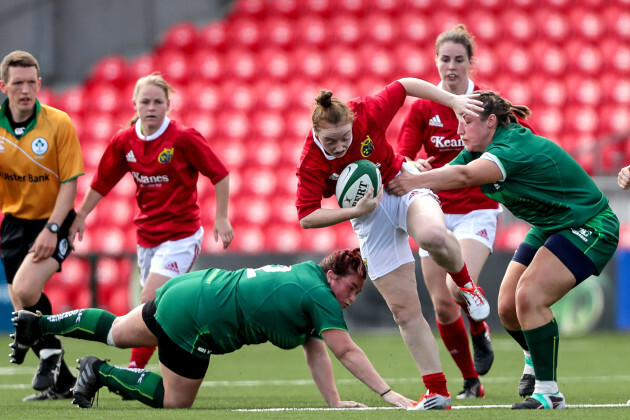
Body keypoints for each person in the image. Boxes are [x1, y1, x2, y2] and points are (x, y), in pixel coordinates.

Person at [387, 90, 620, 410]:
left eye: (466, 122)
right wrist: (413, 173)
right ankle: (534, 359)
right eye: (458, 122)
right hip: (551, 224)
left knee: (529, 297)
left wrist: (413, 181)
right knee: (508, 306)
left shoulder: (510, 147)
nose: (459, 131)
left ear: (491, 121)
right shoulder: (477, 149)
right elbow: (447, 177)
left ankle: (549, 393)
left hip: (590, 224)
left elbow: (464, 176)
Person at [10, 248, 416, 410]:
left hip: (193, 287)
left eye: (359, 292)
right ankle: (100, 372)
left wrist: (334, 402)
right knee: (174, 401)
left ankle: (38, 322)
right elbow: (344, 350)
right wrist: (389, 393)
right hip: (201, 317)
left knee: (117, 329)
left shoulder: (308, 275)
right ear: (332, 276)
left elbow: (316, 349)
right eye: (352, 286)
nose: (352, 297)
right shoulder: (320, 296)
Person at [296, 77, 489, 410]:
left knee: (432, 236)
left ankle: (466, 285)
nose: (340, 147)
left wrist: (453, 101)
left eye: (345, 138)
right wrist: (354, 211)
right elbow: (306, 217)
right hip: (368, 215)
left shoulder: (366, 112)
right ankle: (437, 391)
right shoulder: (311, 160)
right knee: (404, 313)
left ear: (352, 124)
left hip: (401, 183)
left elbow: (405, 84)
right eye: (332, 142)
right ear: (316, 134)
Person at [69, 73, 233, 371]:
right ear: (135, 104)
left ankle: (135, 369)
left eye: (158, 101)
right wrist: (81, 215)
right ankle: (173, 351)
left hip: (181, 236)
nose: (152, 107)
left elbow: (220, 173)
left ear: (168, 104)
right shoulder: (125, 141)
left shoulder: (184, 137)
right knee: (161, 311)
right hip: (147, 237)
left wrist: (221, 217)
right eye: (145, 101)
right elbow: (103, 181)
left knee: (149, 301)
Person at [396, 25, 497, 399]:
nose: (451, 66)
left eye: (459, 59)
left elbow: (517, 138)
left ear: (471, 62)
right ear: (436, 61)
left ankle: (478, 330)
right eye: (444, 59)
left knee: (457, 288)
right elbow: (403, 155)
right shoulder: (424, 105)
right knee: (441, 304)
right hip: (435, 210)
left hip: (476, 208)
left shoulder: (486, 103)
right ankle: (471, 379)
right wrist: (414, 165)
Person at [1, 50, 82, 401]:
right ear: (3, 86)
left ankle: (48, 353)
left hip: (56, 219)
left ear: (40, 84)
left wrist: (52, 229)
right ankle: (63, 383)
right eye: (17, 83)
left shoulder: (58, 123)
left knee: (26, 290)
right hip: (15, 221)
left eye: (31, 82)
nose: (25, 90)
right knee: (21, 302)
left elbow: (70, 183)